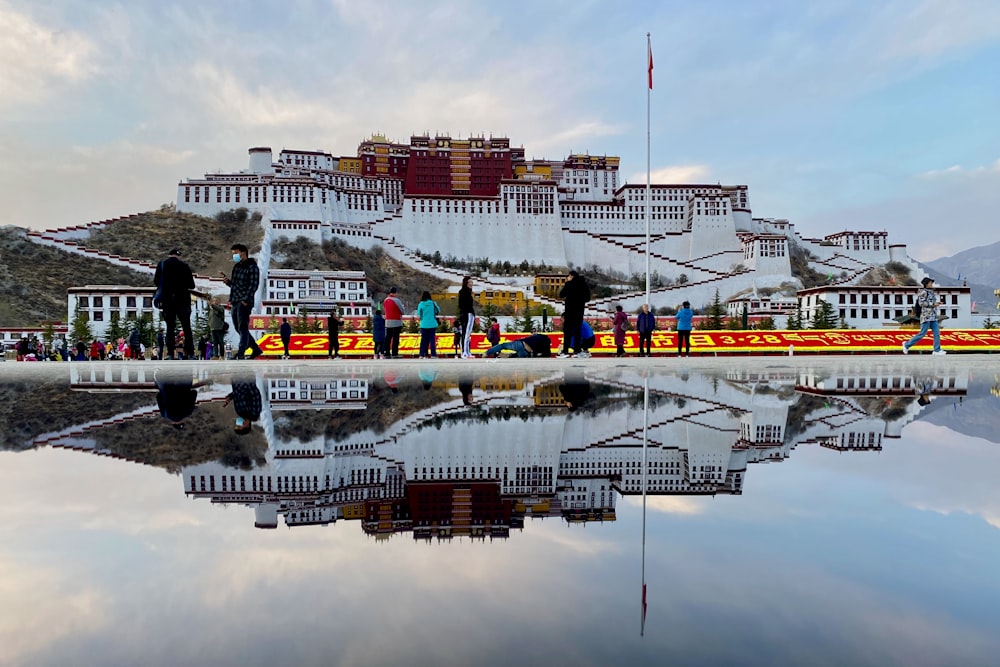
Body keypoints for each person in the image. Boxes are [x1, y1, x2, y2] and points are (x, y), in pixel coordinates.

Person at [222, 243, 263, 360]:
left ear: (243, 252)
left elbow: (254, 285)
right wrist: (228, 282)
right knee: (237, 327)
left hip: (244, 301)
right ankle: (255, 349)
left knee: (243, 327)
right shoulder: (237, 267)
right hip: (235, 300)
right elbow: (235, 285)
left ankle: (241, 351)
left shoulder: (252, 267)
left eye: (235, 253)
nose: (234, 256)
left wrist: (246, 299)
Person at [153, 248, 195, 360]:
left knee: (170, 328)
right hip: (183, 300)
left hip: (168, 301)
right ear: (178, 256)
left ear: (169, 255)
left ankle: (170, 353)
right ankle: (190, 353)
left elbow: (156, 282)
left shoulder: (162, 265)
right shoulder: (184, 266)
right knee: (186, 327)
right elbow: (191, 285)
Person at [902, 277, 947, 355]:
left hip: (933, 316)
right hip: (926, 316)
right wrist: (933, 304)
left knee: (937, 333)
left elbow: (930, 303)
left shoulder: (931, 292)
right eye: (930, 283)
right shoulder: (923, 292)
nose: (931, 284)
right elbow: (921, 303)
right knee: (922, 333)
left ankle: (937, 350)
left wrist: (936, 304)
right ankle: (906, 344)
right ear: (926, 284)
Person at [558, 270, 590, 357]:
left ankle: (565, 351)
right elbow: (588, 298)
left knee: (567, 332)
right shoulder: (584, 285)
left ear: (571, 276)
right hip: (579, 312)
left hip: (569, 311)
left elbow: (561, 295)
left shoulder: (569, 284)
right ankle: (577, 351)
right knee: (577, 332)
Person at [485, 333, 553, 358]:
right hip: (526, 352)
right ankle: (509, 356)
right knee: (518, 355)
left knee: (503, 345)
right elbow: (547, 354)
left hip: (521, 344)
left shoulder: (539, 336)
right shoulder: (546, 342)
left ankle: (486, 353)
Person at [416, 291, 441, 358]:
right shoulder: (433, 303)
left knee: (423, 340)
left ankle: (422, 354)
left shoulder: (421, 304)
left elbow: (419, 313)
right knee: (432, 339)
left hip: (424, 324)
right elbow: (438, 310)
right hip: (432, 324)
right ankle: (433, 354)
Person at [382, 287, 405, 358]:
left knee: (388, 338)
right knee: (395, 338)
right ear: (395, 293)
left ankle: (387, 353)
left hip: (388, 321)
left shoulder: (385, 300)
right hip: (396, 321)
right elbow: (402, 311)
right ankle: (395, 353)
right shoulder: (396, 300)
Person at [458, 276, 475, 359]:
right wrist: (465, 313)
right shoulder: (463, 292)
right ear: (466, 283)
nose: (471, 284)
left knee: (468, 334)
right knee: (466, 333)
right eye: (470, 282)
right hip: (467, 314)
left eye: (472, 282)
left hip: (469, 314)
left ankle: (467, 352)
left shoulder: (468, 292)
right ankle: (464, 352)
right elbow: (462, 305)